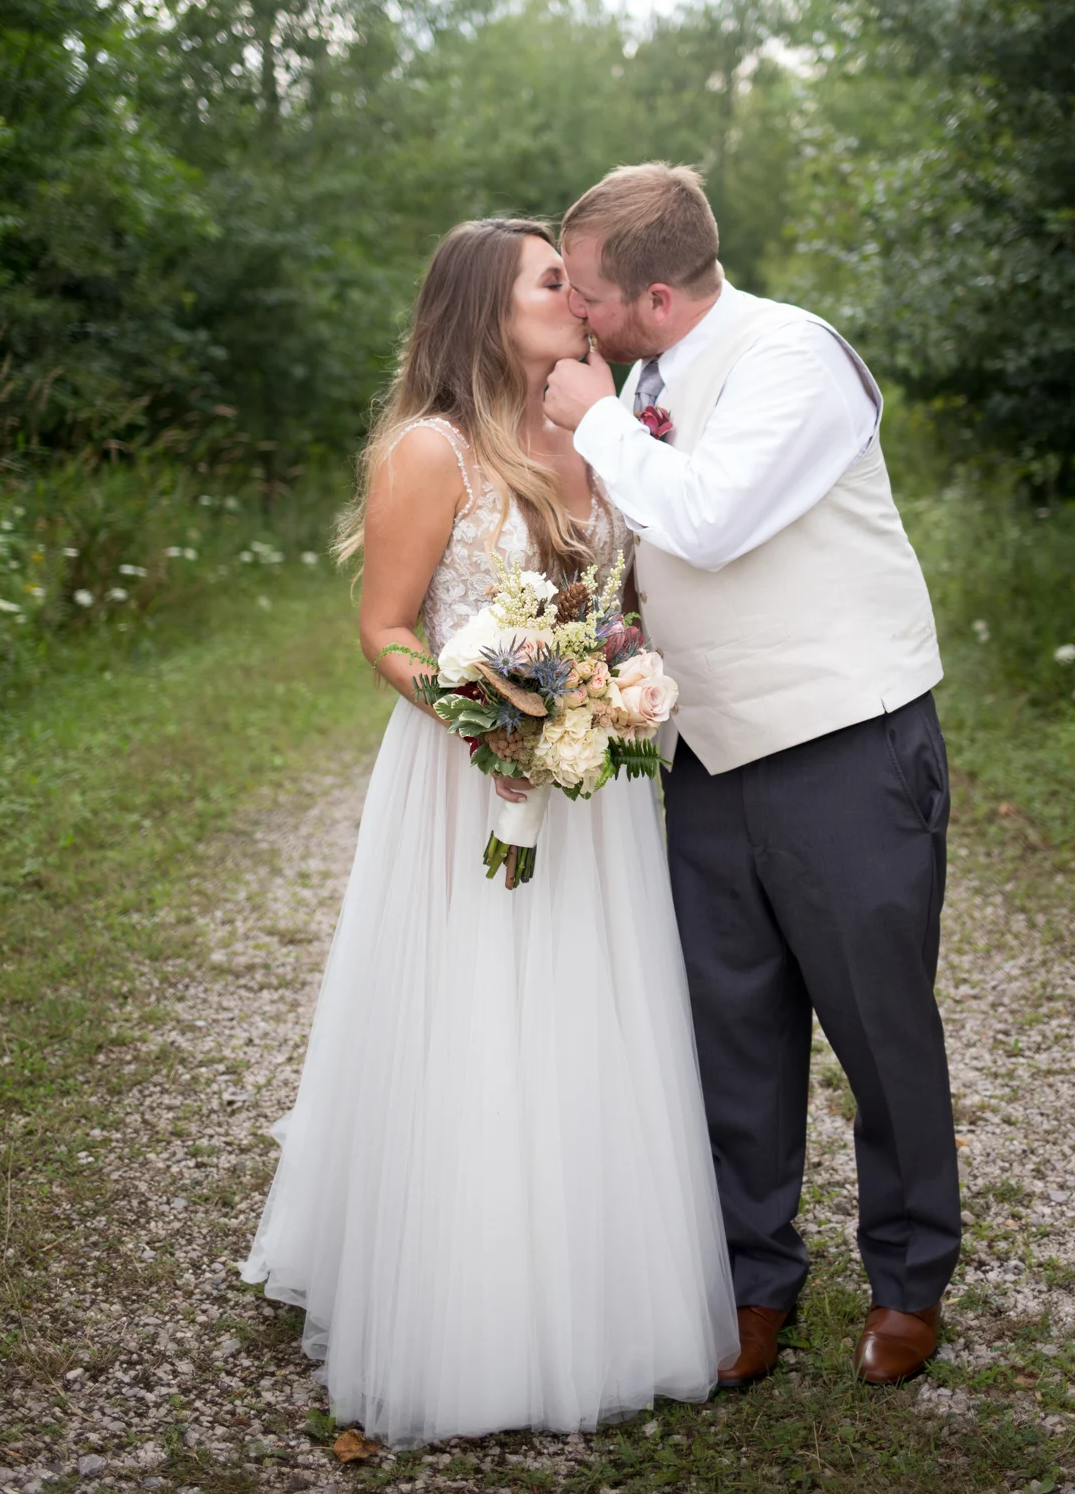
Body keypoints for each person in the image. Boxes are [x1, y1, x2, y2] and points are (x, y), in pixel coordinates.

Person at [241, 217, 737, 1446]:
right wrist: (489, 715)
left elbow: (626, 602)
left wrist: (613, 688)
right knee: (473, 1007)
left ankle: (601, 1279)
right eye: (551, 280)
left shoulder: (600, 433)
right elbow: (386, 628)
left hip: (595, 782)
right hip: (472, 768)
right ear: (485, 307)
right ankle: (464, 1295)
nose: (579, 296)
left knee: (590, 1001)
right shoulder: (432, 450)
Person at [544, 164, 960, 1392]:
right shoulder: (638, 377)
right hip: (709, 752)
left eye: (588, 293)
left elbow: (712, 518)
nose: (575, 313)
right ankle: (750, 1277)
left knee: (880, 1026)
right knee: (730, 1029)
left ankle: (909, 1279)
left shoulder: (793, 358)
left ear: (655, 296)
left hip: (845, 740)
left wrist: (595, 421)